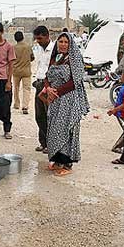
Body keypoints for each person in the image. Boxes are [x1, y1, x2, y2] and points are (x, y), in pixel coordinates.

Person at [38, 33, 89, 176]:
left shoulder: (75, 59)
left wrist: (57, 91)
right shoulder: (56, 58)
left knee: (66, 130)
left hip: (69, 100)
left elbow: (75, 81)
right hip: (55, 100)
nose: (63, 44)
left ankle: (67, 164)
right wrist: (48, 88)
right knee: (54, 129)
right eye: (60, 41)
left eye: (66, 42)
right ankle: (58, 160)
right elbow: (47, 75)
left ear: (70, 44)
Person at [33, 26, 55, 153]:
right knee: (39, 116)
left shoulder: (54, 50)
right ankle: (43, 142)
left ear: (47, 36)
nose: (38, 41)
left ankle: (50, 144)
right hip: (39, 84)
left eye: (40, 38)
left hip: (49, 86)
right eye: (37, 39)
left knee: (49, 116)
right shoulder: (39, 49)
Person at [12, 31, 34, 115]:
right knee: (26, 89)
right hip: (26, 71)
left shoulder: (13, 48)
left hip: (16, 71)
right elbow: (32, 57)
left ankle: (16, 104)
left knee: (16, 88)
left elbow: (11, 59)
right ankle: (25, 106)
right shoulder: (28, 47)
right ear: (23, 37)